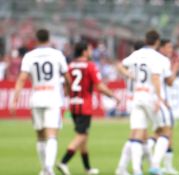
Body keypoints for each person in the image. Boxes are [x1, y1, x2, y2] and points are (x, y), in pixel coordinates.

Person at [12, 29, 70, 175]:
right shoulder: (57, 55)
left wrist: (15, 98)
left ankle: (44, 169)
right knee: (52, 135)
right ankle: (49, 168)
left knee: (40, 135)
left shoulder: (29, 56)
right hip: (53, 97)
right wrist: (68, 90)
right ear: (49, 39)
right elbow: (67, 76)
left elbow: (22, 78)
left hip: (37, 97)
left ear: (36, 39)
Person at [57, 41, 120, 175]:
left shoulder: (70, 66)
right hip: (84, 106)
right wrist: (113, 95)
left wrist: (70, 94)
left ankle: (88, 168)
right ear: (84, 51)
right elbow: (99, 86)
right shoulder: (90, 66)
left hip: (73, 105)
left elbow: (65, 86)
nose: (91, 52)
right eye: (90, 50)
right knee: (81, 135)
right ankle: (63, 162)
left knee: (84, 137)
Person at [115, 30, 166, 175]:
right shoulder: (156, 57)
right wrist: (159, 98)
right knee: (162, 131)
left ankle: (135, 169)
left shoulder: (135, 56)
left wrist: (127, 74)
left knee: (138, 134)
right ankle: (155, 166)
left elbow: (120, 65)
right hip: (150, 97)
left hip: (136, 97)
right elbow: (156, 78)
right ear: (157, 41)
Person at [147, 39, 179, 175]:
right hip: (160, 102)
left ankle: (149, 153)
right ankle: (161, 165)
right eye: (168, 47)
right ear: (161, 48)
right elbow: (170, 81)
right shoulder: (162, 60)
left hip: (151, 100)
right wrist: (176, 68)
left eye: (171, 47)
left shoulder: (152, 60)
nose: (170, 50)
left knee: (158, 132)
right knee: (167, 132)